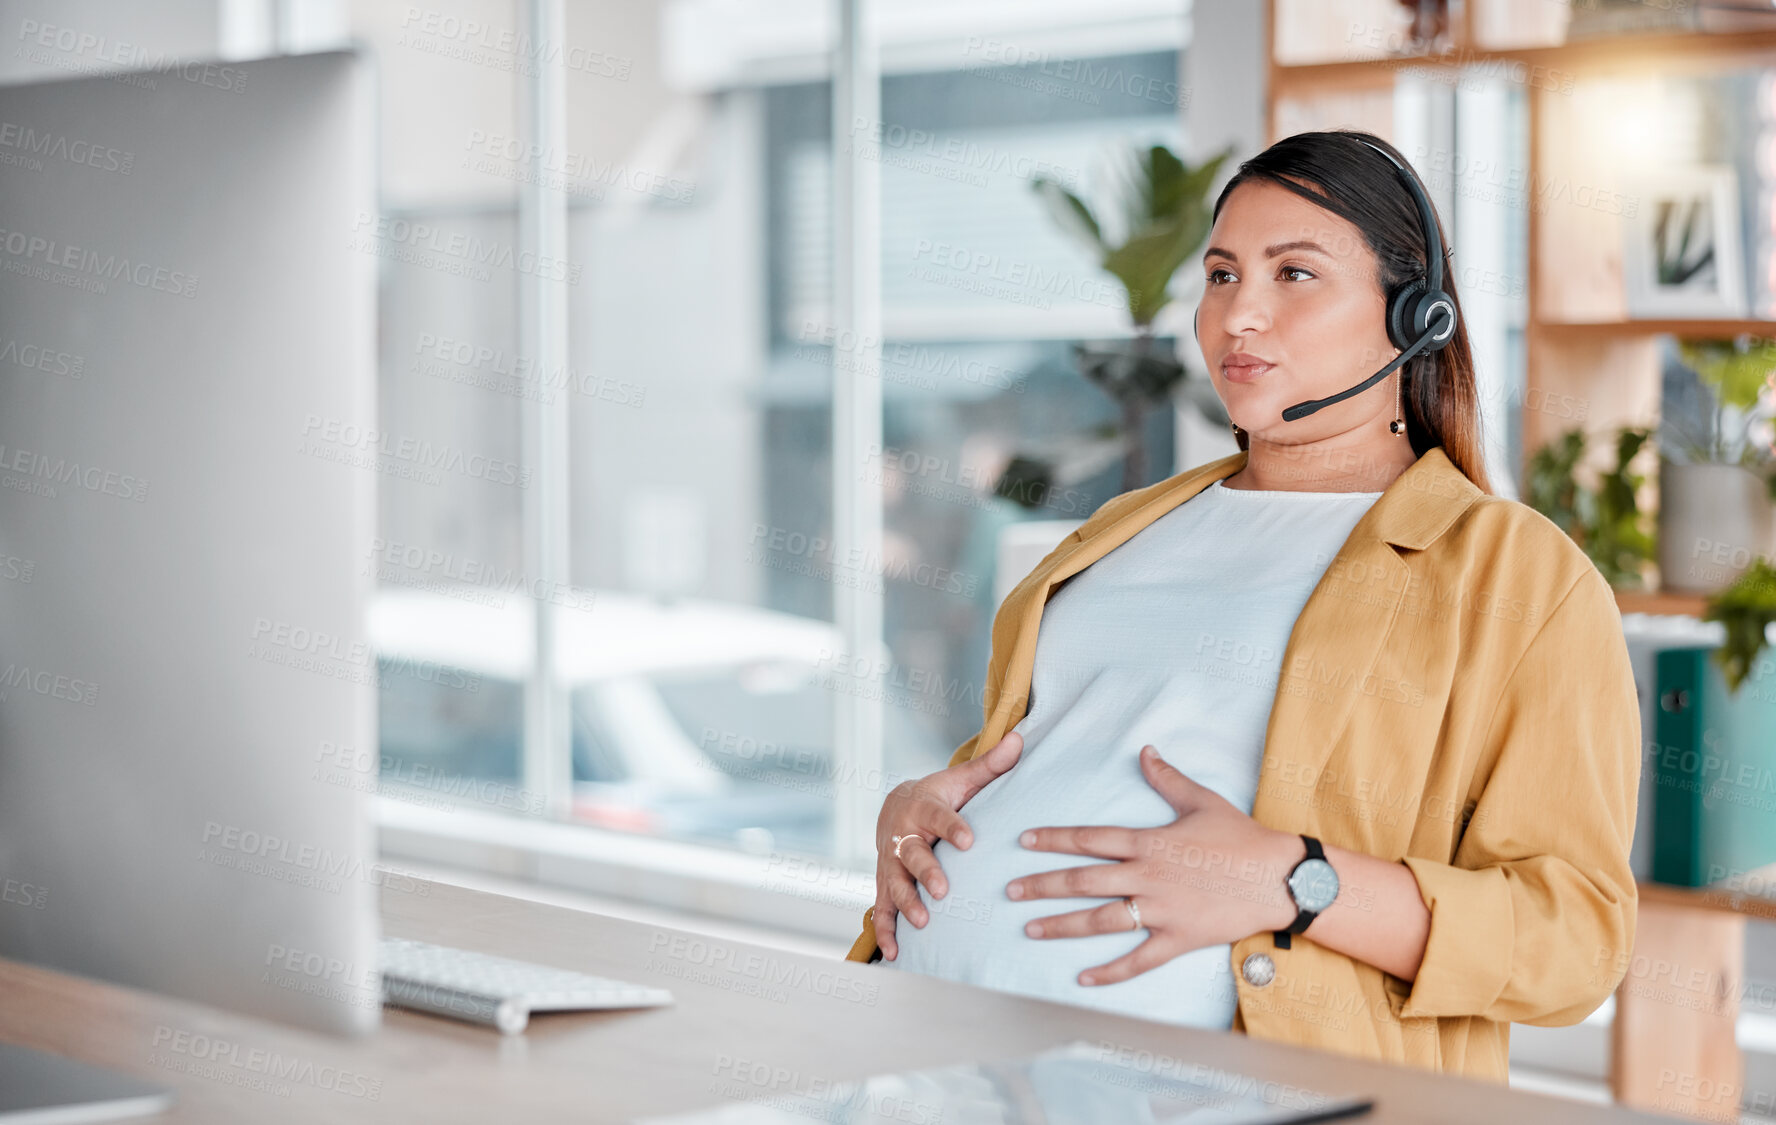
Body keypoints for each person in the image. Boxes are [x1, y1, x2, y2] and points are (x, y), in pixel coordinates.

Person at [843, 129, 1641, 1083]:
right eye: (1221, 276)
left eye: (1294, 274)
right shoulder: (1119, 530)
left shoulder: (1515, 575)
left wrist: (1294, 880)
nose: (1238, 316)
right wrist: (920, 812)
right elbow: (1046, 762)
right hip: (934, 1064)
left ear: (1414, 316)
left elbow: (1577, 943)